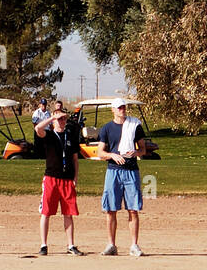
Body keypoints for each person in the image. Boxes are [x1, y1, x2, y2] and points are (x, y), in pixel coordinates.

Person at [94, 98, 146, 257]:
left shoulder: (134, 125)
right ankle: (111, 245)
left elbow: (143, 149)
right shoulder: (107, 128)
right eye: (119, 107)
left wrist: (136, 153)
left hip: (131, 170)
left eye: (124, 107)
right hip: (113, 171)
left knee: (133, 209)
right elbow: (100, 152)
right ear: (113, 110)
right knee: (111, 209)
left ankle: (134, 245)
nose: (122, 110)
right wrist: (112, 156)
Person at [33, 107, 85, 256]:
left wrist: (75, 177)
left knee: (68, 213)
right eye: (59, 119)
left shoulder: (70, 136)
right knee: (46, 212)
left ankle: (71, 245)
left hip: (67, 179)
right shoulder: (48, 135)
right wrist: (52, 118)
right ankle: (43, 245)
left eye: (64, 119)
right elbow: (38, 128)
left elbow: (75, 159)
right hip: (51, 178)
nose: (62, 121)